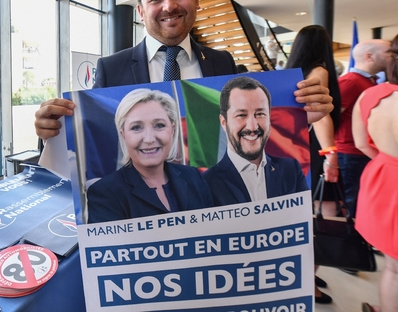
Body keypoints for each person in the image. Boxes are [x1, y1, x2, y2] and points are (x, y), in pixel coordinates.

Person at [35, 0, 333, 148]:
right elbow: (94, 141)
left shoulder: (222, 62)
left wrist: (302, 115)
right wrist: (52, 132)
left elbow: (245, 127)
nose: (169, 6)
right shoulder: (111, 69)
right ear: (140, 10)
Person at [86, 88, 213, 223]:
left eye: (159, 125)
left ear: (173, 129)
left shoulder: (194, 177)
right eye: (136, 127)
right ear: (123, 134)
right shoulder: (104, 193)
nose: (149, 139)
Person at [285, 24, 342, 303]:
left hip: (298, 151)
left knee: (306, 219)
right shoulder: (320, 70)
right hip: (317, 153)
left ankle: (307, 272)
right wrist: (331, 154)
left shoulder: (294, 72)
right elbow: (320, 115)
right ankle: (307, 279)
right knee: (321, 218)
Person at [202, 76, 308, 206]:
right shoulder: (205, 183)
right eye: (241, 115)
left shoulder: (291, 170)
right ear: (224, 123)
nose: (252, 126)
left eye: (260, 114)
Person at [353, 34, 398, 312]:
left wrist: (387, 160)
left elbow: (360, 142)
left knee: (393, 267)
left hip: (384, 179)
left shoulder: (370, 95)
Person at [335, 39, 390, 217]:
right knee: (355, 202)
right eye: (389, 52)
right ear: (369, 56)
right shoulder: (350, 82)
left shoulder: (367, 82)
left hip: (362, 152)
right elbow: (329, 118)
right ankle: (354, 242)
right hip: (352, 153)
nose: (392, 56)